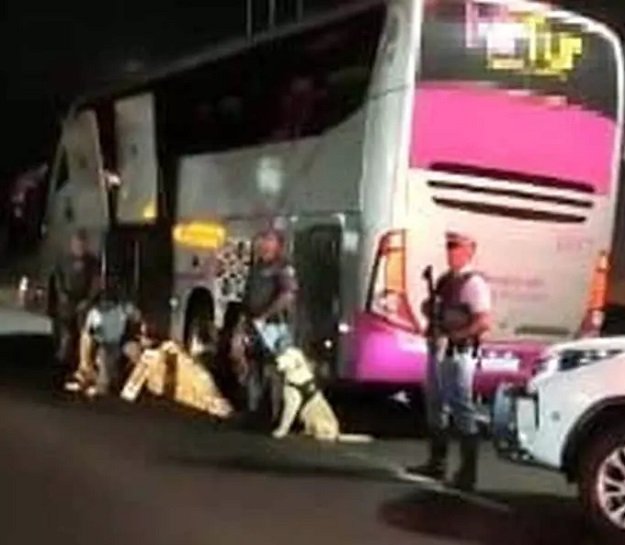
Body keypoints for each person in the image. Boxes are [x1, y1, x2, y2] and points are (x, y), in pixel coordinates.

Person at [407, 231, 492, 492]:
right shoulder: (445, 280)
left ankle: (468, 473)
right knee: (435, 403)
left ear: (470, 251)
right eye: (449, 247)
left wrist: (456, 335)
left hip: (459, 351)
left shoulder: (474, 283)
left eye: (457, 247)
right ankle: (437, 462)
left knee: (461, 405)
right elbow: (436, 311)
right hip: (439, 348)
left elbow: (483, 321)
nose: (451, 252)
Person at [238, 228, 298, 420]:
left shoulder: (283, 268)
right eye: (262, 239)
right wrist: (243, 324)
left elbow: (287, 295)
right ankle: (253, 411)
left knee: (274, 370)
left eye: (269, 240)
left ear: (278, 245)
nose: (263, 244)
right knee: (253, 365)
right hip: (254, 325)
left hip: (276, 326)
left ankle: (275, 415)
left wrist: (265, 316)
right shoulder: (256, 268)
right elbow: (247, 298)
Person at [53, 230, 101, 385]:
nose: (79, 247)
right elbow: (58, 280)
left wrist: (88, 300)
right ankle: (61, 370)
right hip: (67, 304)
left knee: (84, 337)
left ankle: (82, 369)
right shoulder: (63, 261)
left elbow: (96, 283)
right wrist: (62, 295)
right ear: (72, 244)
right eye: (76, 244)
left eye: (82, 244)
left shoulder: (93, 263)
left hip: (84, 304)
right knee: (66, 337)